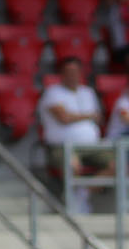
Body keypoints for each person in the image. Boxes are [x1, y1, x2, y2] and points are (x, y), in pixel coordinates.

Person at [37, 58, 106, 212]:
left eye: (75, 72)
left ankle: (83, 193)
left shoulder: (88, 92)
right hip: (62, 146)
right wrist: (88, 116)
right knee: (72, 164)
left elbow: (98, 117)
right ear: (61, 74)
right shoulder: (52, 93)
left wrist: (79, 116)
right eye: (68, 72)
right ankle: (72, 200)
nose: (72, 76)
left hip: (92, 146)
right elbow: (64, 118)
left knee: (117, 164)